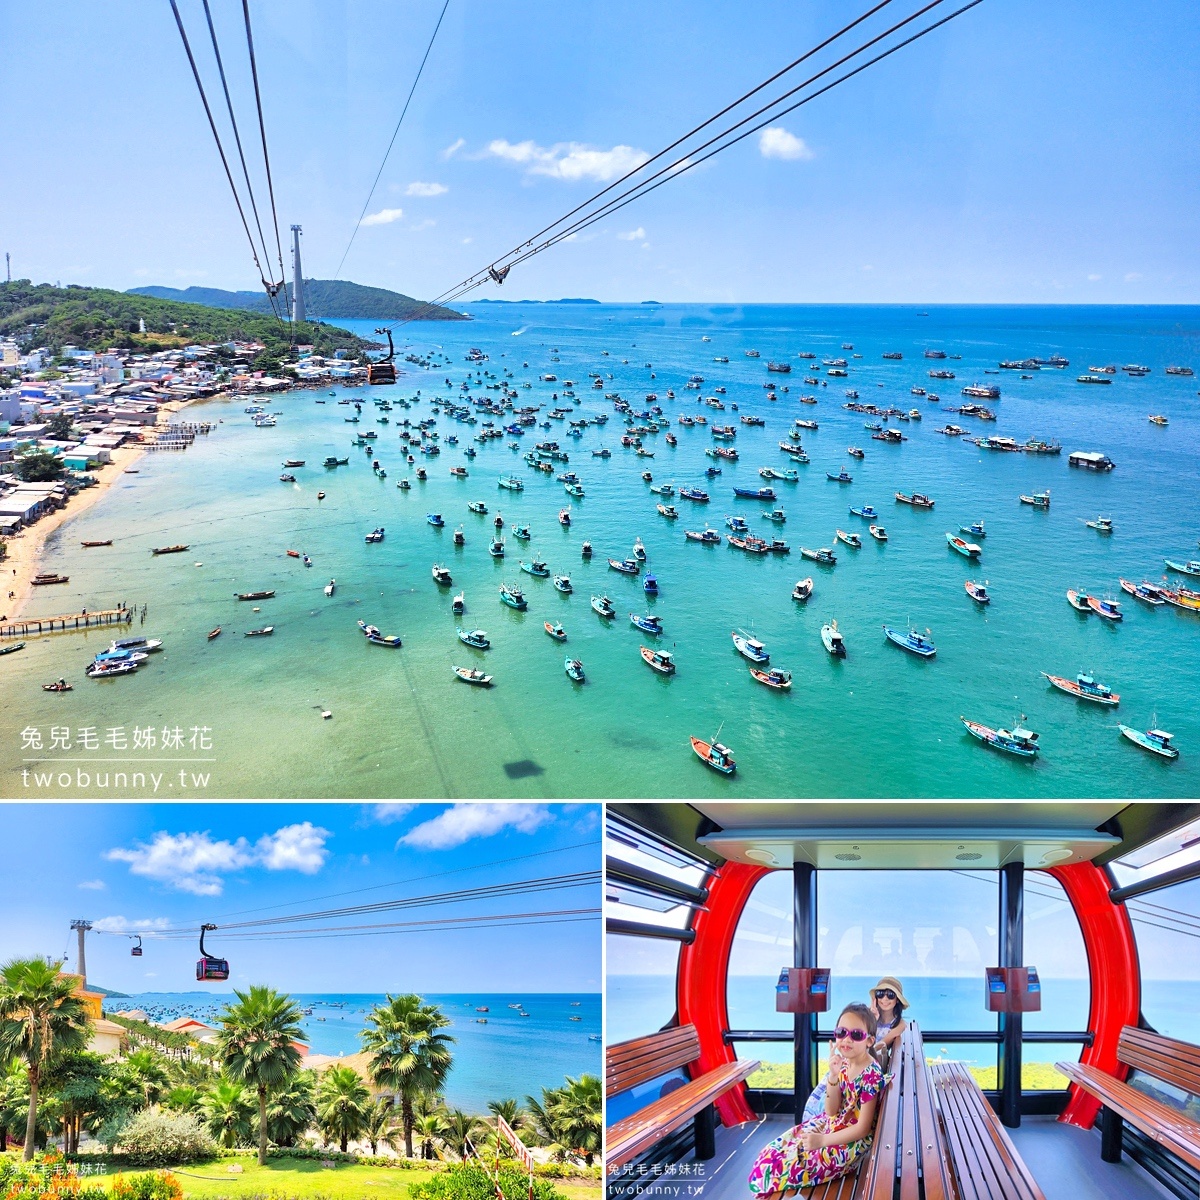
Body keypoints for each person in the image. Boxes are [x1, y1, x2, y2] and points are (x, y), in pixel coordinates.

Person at [748, 1003, 884, 1196]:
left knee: (775, 1168)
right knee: (771, 1153)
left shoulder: (871, 1074)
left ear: (869, 1041)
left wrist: (822, 1141)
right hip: (833, 1125)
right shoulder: (845, 1063)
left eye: (856, 1035)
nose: (846, 1039)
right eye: (841, 1032)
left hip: (849, 1142)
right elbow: (831, 1110)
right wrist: (833, 1075)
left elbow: (862, 1128)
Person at [870, 977, 909, 1072]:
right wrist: (872, 1018)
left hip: (872, 1067)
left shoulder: (900, 1024)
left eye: (890, 995)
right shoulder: (868, 1015)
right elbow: (858, 1039)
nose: (884, 999)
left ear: (897, 999)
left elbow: (878, 1046)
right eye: (880, 994)